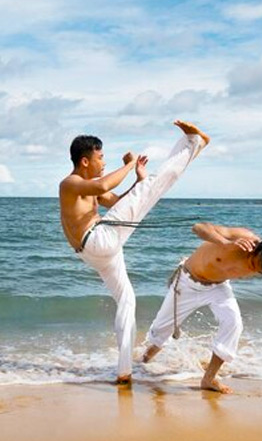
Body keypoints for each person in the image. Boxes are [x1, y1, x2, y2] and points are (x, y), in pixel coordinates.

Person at [59, 120, 210, 385]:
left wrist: (137, 180)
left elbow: (119, 201)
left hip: (99, 248)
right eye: (100, 157)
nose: (103, 162)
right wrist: (130, 165)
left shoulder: (90, 186)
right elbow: (103, 186)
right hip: (98, 241)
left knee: (128, 300)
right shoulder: (70, 183)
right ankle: (192, 144)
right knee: (151, 187)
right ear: (85, 161)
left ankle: (124, 370)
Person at [141, 222, 262, 393]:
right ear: (256, 250)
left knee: (234, 324)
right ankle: (143, 362)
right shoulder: (243, 238)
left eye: (261, 270)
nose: (255, 269)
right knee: (161, 330)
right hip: (187, 282)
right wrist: (225, 242)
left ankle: (209, 379)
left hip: (218, 287)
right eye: (255, 263)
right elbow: (198, 227)